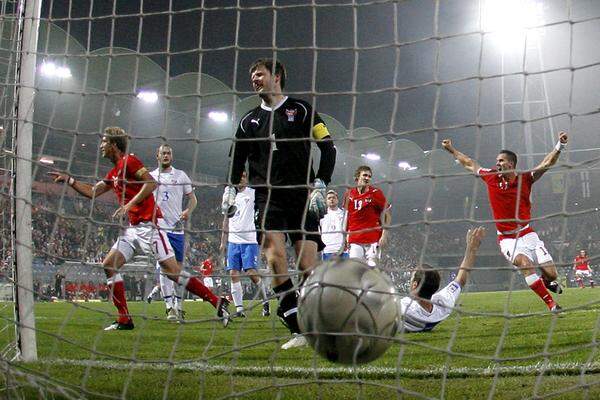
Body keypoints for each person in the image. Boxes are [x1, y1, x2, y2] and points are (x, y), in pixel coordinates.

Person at [49, 127, 229, 330]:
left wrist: (128, 204)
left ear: (114, 145)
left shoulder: (130, 161)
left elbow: (151, 183)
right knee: (109, 264)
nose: (101, 145)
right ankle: (124, 319)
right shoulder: (115, 171)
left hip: (151, 227)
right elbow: (92, 192)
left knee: (173, 272)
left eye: (104, 142)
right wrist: (70, 180)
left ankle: (217, 303)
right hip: (133, 229)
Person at [225, 58, 336, 349]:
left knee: (308, 265)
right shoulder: (248, 121)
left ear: (277, 77)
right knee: (274, 257)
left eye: (259, 74)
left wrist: (321, 184)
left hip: (302, 195)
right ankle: (296, 323)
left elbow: (328, 147)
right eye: (252, 75)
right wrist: (231, 187)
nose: (254, 79)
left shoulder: (301, 110)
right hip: (268, 196)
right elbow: (237, 158)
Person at [442, 132, 568, 312]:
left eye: (501, 161)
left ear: (511, 164)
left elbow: (546, 163)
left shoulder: (526, 178)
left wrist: (560, 146)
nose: (497, 163)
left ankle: (546, 282)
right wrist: (451, 150)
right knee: (525, 264)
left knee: (552, 273)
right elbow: (469, 163)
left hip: (527, 233)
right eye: (497, 161)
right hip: (507, 239)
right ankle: (552, 305)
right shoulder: (491, 176)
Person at [399, 227, 486, 332]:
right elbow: (461, 280)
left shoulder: (404, 308)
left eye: (411, 278)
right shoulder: (442, 306)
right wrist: (472, 249)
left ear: (415, 285)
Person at [149, 144, 197, 321]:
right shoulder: (151, 177)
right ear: (157, 156)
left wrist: (187, 212)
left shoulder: (181, 175)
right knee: (164, 267)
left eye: (169, 153)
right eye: (163, 153)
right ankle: (169, 307)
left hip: (177, 229)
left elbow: (193, 199)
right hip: (159, 229)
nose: (166, 156)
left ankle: (178, 305)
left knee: (177, 269)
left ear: (172, 156)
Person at [220, 171, 271, 318]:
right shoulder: (229, 195)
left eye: (243, 177)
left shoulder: (252, 193)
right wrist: (223, 241)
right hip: (233, 241)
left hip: (249, 240)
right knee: (233, 273)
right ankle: (239, 309)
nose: (240, 179)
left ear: (247, 178)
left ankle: (265, 300)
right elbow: (226, 218)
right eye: (238, 177)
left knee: (251, 273)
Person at [343, 166, 391, 267]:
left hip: (373, 238)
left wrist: (384, 234)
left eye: (369, 176)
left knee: (372, 268)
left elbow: (387, 214)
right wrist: (344, 237)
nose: (367, 178)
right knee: (355, 269)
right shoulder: (349, 194)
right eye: (364, 175)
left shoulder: (376, 193)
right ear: (357, 177)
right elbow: (347, 216)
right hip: (355, 239)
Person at [319, 190, 347, 260]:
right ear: (326, 201)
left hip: (342, 250)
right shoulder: (321, 215)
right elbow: (319, 232)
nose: (331, 199)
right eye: (329, 198)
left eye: (333, 198)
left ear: (337, 200)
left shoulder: (344, 214)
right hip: (327, 250)